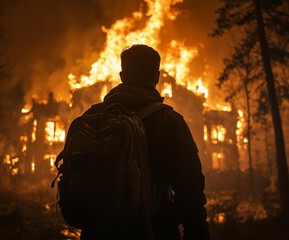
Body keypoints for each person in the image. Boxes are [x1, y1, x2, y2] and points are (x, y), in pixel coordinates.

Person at [81, 44, 210, 240]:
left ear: (122, 76)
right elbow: (190, 191)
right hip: (153, 231)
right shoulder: (169, 122)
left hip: (98, 233)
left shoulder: (92, 118)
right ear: (157, 77)